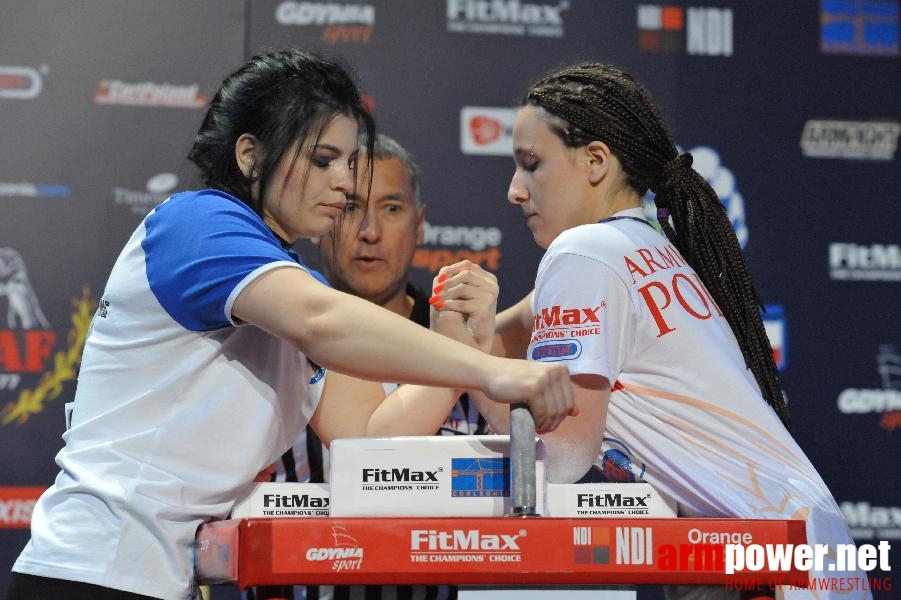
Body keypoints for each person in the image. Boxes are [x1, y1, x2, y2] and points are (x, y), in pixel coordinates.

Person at [4, 49, 575, 600]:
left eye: (349, 163)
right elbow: (321, 321)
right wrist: (493, 369)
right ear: (250, 155)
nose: (345, 184)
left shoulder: (284, 283)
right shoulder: (198, 224)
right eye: (324, 160)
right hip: (93, 574)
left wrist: (458, 347)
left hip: (156, 578)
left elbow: (367, 434)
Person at [464, 62, 869, 599]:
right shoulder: (647, 248)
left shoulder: (584, 253)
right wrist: (461, 346)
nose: (515, 190)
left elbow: (559, 459)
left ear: (595, 161)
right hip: (797, 549)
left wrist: (467, 370)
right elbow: (496, 335)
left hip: (762, 567)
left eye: (531, 165)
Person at [250, 135, 486, 600]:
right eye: (352, 207)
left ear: (419, 224)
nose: (370, 231)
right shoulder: (266, 329)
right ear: (320, 218)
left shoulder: (464, 336)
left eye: (393, 209)